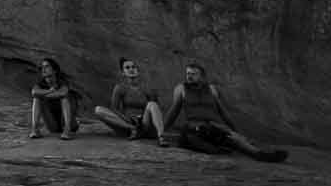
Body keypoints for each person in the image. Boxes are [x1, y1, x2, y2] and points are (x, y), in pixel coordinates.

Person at [159, 61, 287, 162]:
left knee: (235, 140)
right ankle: (258, 154)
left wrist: (234, 130)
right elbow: (173, 111)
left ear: (202, 76)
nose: (189, 76)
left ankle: (261, 154)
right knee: (230, 140)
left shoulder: (212, 89)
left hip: (215, 127)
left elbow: (223, 113)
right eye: (188, 73)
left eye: (193, 74)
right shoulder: (181, 88)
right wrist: (161, 132)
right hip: (196, 128)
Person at [95, 57, 166, 140]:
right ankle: (133, 129)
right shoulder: (120, 88)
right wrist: (127, 120)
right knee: (98, 110)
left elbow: (156, 110)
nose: (131, 69)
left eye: (133, 67)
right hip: (126, 124)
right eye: (127, 68)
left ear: (138, 70)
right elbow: (114, 109)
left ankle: (161, 136)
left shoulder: (147, 88)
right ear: (123, 73)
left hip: (143, 124)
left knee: (152, 104)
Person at [28, 57, 78, 139]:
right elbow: (34, 92)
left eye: (47, 66)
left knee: (65, 98)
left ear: (54, 70)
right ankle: (35, 129)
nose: (43, 69)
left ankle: (67, 130)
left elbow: (63, 93)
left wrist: (44, 94)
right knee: (36, 98)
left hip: (69, 124)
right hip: (53, 126)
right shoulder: (41, 83)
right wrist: (50, 91)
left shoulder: (62, 81)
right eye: (42, 67)